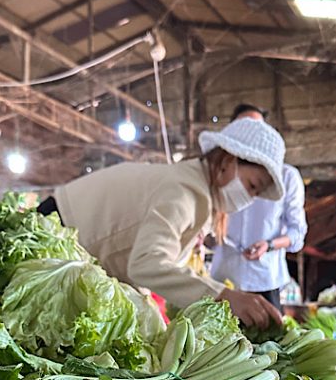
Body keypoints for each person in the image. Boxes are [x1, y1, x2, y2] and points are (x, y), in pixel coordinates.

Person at [38, 117, 285, 329]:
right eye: (253, 186)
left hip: (67, 243)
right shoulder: (183, 191)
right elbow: (146, 263)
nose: (250, 198)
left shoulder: (196, 193)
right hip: (51, 232)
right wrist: (222, 295)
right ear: (230, 160)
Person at [209, 104, 307, 311]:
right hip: (224, 278)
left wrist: (269, 245)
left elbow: (297, 233)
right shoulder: (219, 173)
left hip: (265, 279)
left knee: (268, 341)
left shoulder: (287, 177)